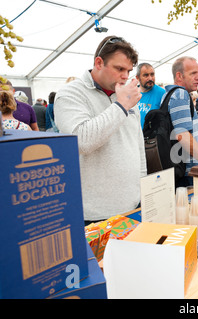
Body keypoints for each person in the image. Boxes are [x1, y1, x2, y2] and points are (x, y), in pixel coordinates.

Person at [54, 35, 146, 224]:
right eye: (119, 68)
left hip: (133, 206)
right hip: (94, 214)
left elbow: (138, 147)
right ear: (99, 63)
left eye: (128, 70)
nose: (125, 76)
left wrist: (142, 190)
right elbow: (82, 140)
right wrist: (121, 106)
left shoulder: (127, 97)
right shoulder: (71, 93)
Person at [164, 56, 198, 187]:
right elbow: (183, 135)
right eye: (193, 73)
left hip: (179, 168)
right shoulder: (180, 95)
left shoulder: (169, 94)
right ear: (179, 76)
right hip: (188, 171)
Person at [135, 62, 166, 128]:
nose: (150, 78)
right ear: (137, 78)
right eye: (146, 75)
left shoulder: (162, 93)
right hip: (134, 135)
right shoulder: (133, 93)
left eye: (152, 75)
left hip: (152, 137)